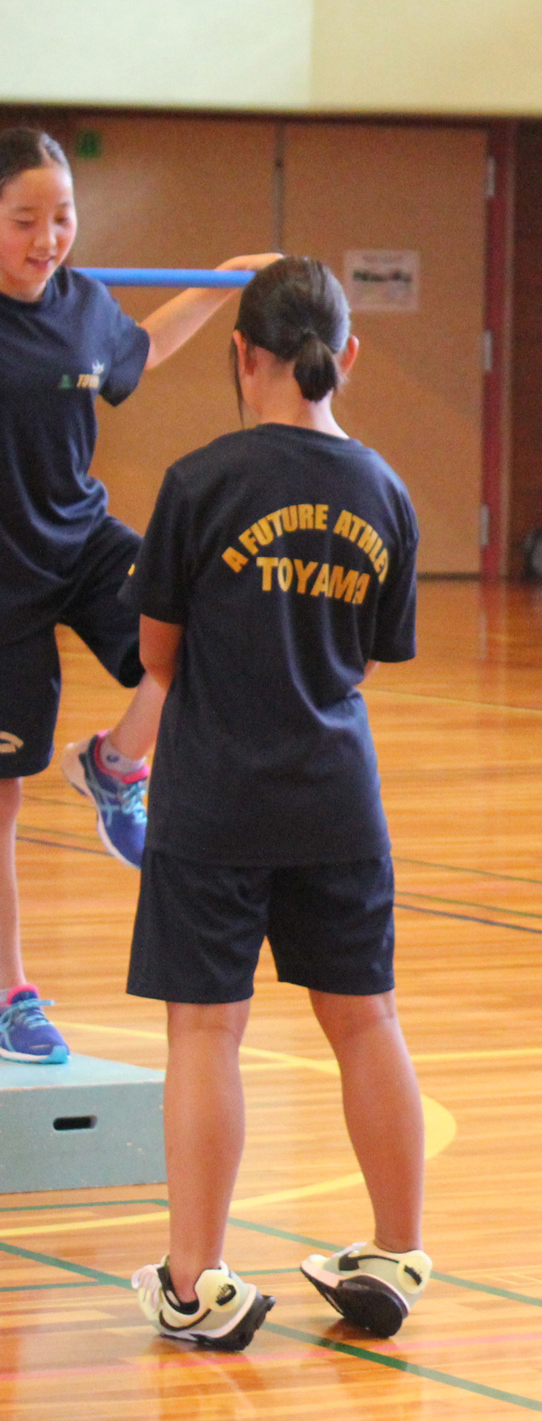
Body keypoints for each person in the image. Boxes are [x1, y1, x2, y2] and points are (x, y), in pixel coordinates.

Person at [121, 258, 431, 1350]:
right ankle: (396, 1252)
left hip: (215, 797)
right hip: (338, 798)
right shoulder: (386, 491)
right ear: (344, 356)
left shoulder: (200, 483)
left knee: (206, 1032)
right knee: (365, 1023)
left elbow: (157, 651)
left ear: (240, 355)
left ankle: (198, 1279)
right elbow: (373, 651)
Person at [0, 126, 274, 1066]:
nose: (49, 239)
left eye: (63, 217)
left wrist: (220, 276)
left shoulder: (81, 304)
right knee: (1, 801)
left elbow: (139, 353)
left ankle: (115, 765)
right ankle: (10, 993)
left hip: (78, 540)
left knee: (197, 627)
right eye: (24, 220)